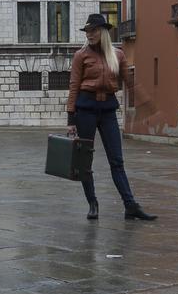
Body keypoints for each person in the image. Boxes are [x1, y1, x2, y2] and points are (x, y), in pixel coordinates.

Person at [66, 13, 155, 221]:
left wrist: (146, 105)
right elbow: (73, 87)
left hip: (107, 111)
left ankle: (130, 205)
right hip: (85, 111)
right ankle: (92, 203)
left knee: (116, 161)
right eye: (87, 31)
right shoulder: (81, 56)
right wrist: (71, 121)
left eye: (94, 31)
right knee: (84, 162)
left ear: (103, 32)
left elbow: (130, 82)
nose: (89, 35)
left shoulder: (118, 55)